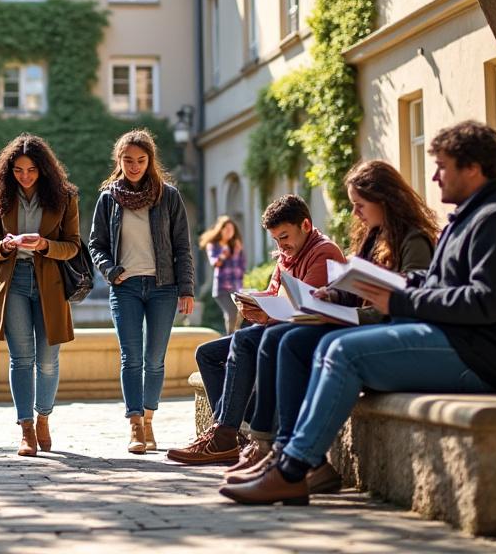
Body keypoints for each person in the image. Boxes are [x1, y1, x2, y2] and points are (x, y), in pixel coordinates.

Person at [223, 122, 496, 505]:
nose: (434, 176)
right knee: (329, 346)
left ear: (473, 168)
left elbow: (483, 303)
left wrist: (396, 300)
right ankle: (290, 463)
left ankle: (292, 470)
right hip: (464, 343)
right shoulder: (469, 219)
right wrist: (388, 287)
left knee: (343, 351)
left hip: (488, 356)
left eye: (442, 166)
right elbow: (438, 284)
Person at [222, 160, 438, 489]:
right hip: (356, 321)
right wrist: (332, 296)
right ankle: (278, 449)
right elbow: (357, 288)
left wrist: (345, 313)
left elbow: (404, 304)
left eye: (360, 205)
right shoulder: (375, 236)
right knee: (276, 337)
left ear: (384, 200)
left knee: (289, 341)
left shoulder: (414, 241)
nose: (356, 213)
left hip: (378, 330)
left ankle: (291, 455)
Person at [167, 194, 343, 466]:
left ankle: (224, 435)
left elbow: (307, 308)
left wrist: (266, 314)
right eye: (275, 240)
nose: (280, 245)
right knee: (207, 354)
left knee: (242, 339)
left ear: (305, 225)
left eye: (284, 237)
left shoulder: (324, 252)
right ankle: (229, 434)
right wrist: (253, 303)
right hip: (279, 327)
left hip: (303, 332)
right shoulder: (287, 254)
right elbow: (275, 294)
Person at [88, 128, 196, 454]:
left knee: (155, 359)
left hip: (164, 287)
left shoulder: (169, 196)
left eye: (140, 160)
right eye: (128, 160)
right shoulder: (109, 198)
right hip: (126, 287)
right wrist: (110, 271)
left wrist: (187, 289)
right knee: (131, 358)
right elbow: (97, 244)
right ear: (118, 160)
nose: (134, 166)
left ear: (150, 161)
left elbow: (182, 247)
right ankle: (135, 423)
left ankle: (149, 419)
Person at [0, 134, 82, 457]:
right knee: (21, 360)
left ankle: (43, 418)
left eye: (32, 170)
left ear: (44, 169)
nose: (25, 176)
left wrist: (45, 245)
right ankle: (25, 428)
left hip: (50, 284)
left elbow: (74, 246)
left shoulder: (64, 197)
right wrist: (6, 245)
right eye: (19, 170)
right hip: (13, 284)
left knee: (48, 362)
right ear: (9, 170)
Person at [199, 216, 246, 335]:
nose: (230, 231)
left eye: (232, 229)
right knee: (231, 312)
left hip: (236, 287)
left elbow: (241, 265)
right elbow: (215, 263)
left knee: (239, 313)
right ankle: (230, 338)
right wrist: (223, 254)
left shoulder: (236, 245)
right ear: (221, 230)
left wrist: (236, 251)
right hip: (222, 288)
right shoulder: (213, 245)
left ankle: (233, 337)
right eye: (227, 229)